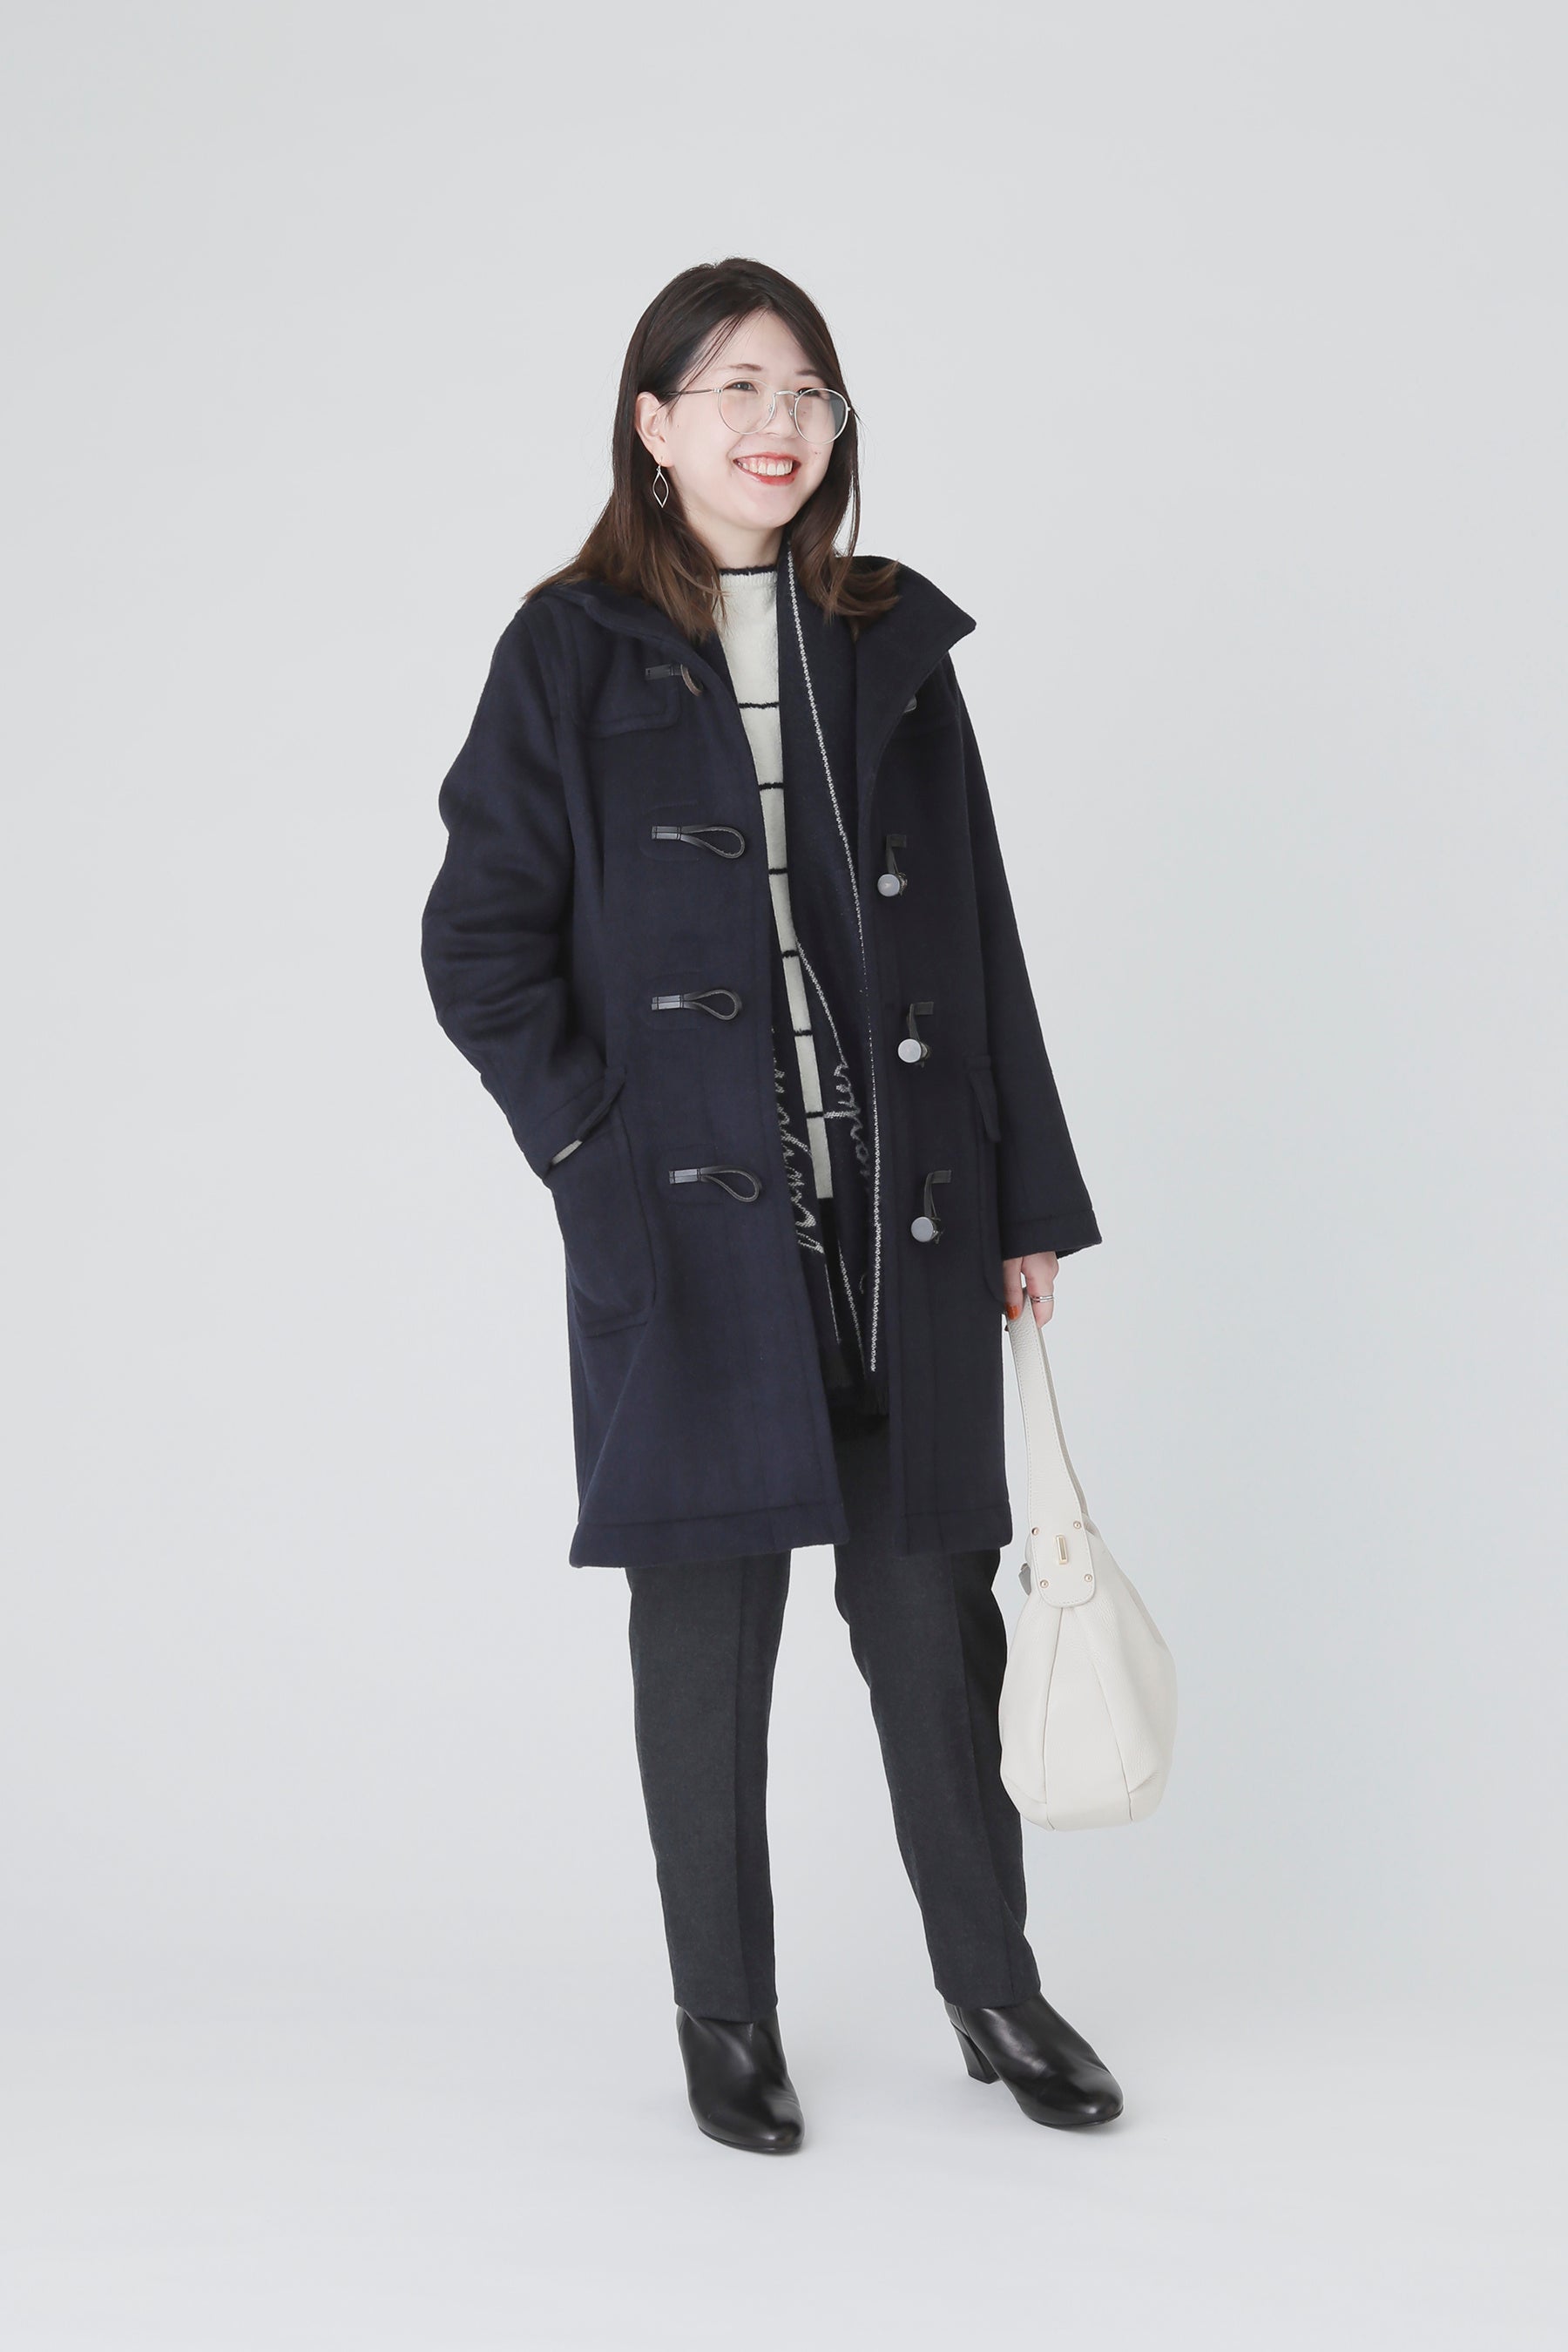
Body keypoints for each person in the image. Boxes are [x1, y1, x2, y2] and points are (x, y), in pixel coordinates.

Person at [420, 257, 1124, 2153]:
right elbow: (479, 944)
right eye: (735, 387)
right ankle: (725, 2018)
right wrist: (593, 1151)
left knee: (932, 1621)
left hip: (901, 1221)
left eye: (807, 389)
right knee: (704, 1638)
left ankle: (994, 1989)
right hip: (687, 1238)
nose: (777, 423)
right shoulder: (566, 651)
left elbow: (981, 936)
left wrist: (1027, 1195)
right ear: (653, 426)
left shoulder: (884, 641)